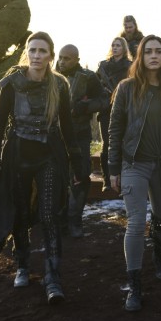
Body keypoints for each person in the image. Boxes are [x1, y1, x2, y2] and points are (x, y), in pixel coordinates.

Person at [0, 31, 84, 305]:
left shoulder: (59, 85)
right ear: (27, 53)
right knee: (20, 211)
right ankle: (23, 264)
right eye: (33, 50)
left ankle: (53, 276)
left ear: (51, 56)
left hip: (49, 154)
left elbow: (67, 128)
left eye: (42, 51)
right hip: (17, 155)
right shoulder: (11, 83)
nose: (37, 55)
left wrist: (77, 165)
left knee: (49, 214)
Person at [108, 34, 161, 312]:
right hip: (134, 164)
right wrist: (113, 168)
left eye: (159, 51)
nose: (154, 56)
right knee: (135, 223)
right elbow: (115, 129)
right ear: (141, 56)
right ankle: (134, 285)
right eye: (148, 52)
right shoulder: (127, 88)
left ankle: (160, 256)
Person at [56, 44, 105, 238]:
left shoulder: (88, 77)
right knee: (57, 177)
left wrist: (84, 107)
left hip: (80, 135)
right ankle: (60, 221)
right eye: (60, 57)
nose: (62, 61)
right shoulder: (51, 77)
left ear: (76, 59)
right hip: (55, 136)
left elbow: (104, 100)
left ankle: (75, 220)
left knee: (81, 176)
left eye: (66, 58)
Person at [96, 37, 132, 192]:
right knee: (107, 144)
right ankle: (107, 180)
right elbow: (95, 86)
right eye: (113, 45)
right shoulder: (103, 66)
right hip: (106, 109)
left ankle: (122, 179)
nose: (115, 47)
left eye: (118, 45)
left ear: (124, 48)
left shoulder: (130, 66)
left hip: (125, 109)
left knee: (124, 143)